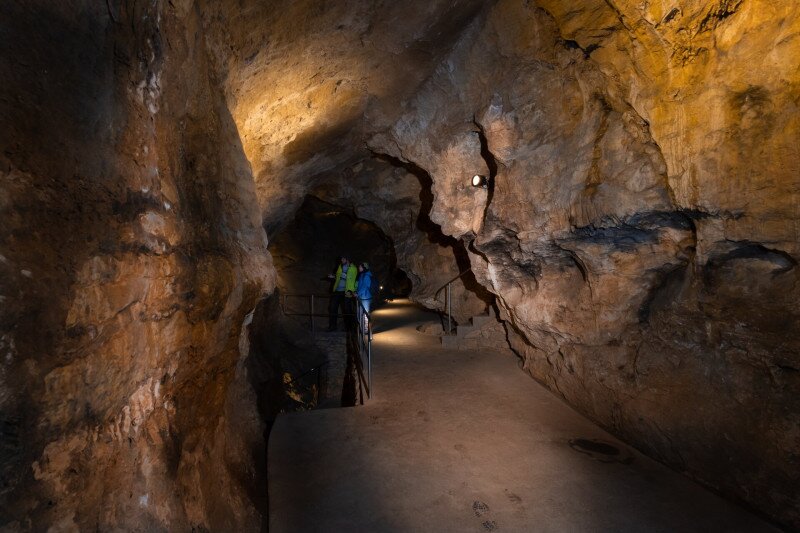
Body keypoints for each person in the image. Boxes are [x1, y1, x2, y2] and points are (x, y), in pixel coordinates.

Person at [328, 256, 357, 331]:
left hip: (347, 292)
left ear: (347, 259)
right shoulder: (340, 267)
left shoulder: (353, 268)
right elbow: (338, 277)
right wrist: (333, 276)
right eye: (341, 259)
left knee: (347, 310)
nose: (341, 260)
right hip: (337, 291)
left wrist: (353, 291)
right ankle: (332, 327)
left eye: (343, 258)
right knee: (332, 308)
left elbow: (354, 280)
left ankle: (349, 328)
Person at [356, 262, 374, 329]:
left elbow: (365, 287)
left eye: (360, 267)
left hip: (366, 298)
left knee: (365, 314)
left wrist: (357, 293)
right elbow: (359, 285)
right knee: (361, 313)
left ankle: (366, 330)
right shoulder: (362, 275)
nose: (359, 268)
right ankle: (362, 328)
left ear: (364, 268)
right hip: (362, 297)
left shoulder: (366, 276)